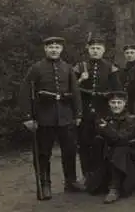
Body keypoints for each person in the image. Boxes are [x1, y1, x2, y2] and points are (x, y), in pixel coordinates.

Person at [19, 36, 85, 200]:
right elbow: (25, 92)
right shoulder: (36, 68)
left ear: (61, 49)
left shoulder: (67, 68)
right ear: (45, 49)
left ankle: (70, 182)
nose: (54, 50)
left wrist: (78, 114)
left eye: (57, 47)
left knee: (69, 151)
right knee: (43, 153)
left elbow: (75, 92)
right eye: (51, 47)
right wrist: (28, 117)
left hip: (65, 116)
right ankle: (45, 185)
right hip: (44, 117)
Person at [73, 34, 122, 179]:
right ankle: (87, 175)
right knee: (84, 144)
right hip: (84, 112)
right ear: (88, 50)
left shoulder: (110, 68)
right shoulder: (79, 67)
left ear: (103, 50)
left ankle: (103, 175)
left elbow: (117, 91)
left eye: (98, 48)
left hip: (103, 111)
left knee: (102, 143)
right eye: (93, 48)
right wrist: (81, 79)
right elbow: (70, 89)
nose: (95, 51)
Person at [85, 91, 135, 204]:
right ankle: (99, 179)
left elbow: (122, 139)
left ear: (124, 104)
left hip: (128, 159)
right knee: (98, 143)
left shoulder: (131, 120)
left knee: (120, 149)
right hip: (107, 155)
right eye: (113, 102)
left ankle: (115, 187)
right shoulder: (105, 119)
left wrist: (107, 130)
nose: (116, 105)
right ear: (109, 104)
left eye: (119, 102)